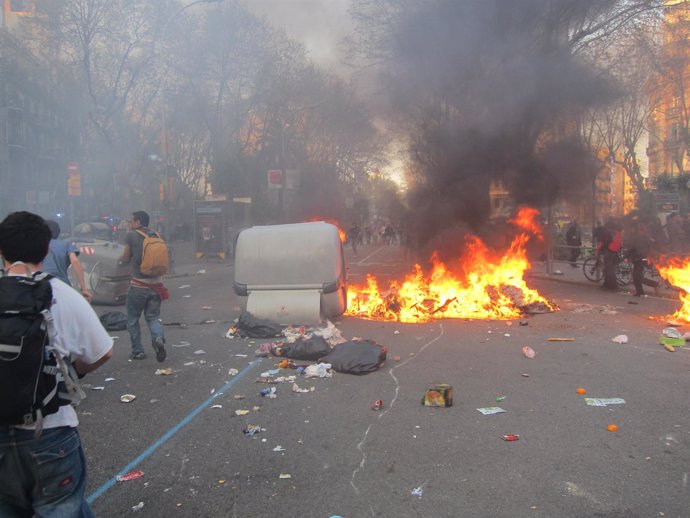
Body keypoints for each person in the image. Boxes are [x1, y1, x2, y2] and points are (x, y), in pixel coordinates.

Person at [0, 211, 112, 517]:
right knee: (63, 507)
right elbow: (103, 351)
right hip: (49, 430)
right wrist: (72, 373)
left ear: (2, 251)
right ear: (47, 249)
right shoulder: (62, 294)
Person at [118, 211, 167, 362]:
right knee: (153, 317)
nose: (130, 224)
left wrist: (120, 262)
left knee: (133, 319)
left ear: (138, 222)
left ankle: (138, 351)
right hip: (156, 285)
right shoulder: (156, 235)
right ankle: (158, 339)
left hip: (139, 285)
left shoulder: (131, 235)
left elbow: (125, 258)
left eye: (132, 221)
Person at [42, 220, 93, 303]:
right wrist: (84, 289)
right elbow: (75, 262)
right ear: (58, 232)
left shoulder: (36, 245)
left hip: (41, 286)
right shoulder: (66, 245)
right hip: (62, 286)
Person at [625, 220, 659, 297]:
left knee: (637, 276)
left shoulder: (636, 238)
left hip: (638, 258)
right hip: (644, 258)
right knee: (637, 276)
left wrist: (626, 256)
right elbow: (652, 245)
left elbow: (631, 248)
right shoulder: (647, 237)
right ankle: (640, 291)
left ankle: (653, 285)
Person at [602, 220, 622, 291]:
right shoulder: (617, 233)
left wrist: (601, 248)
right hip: (614, 253)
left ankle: (613, 286)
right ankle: (606, 284)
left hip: (609, 252)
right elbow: (620, 243)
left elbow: (605, 242)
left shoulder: (608, 233)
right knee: (609, 269)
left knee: (609, 270)